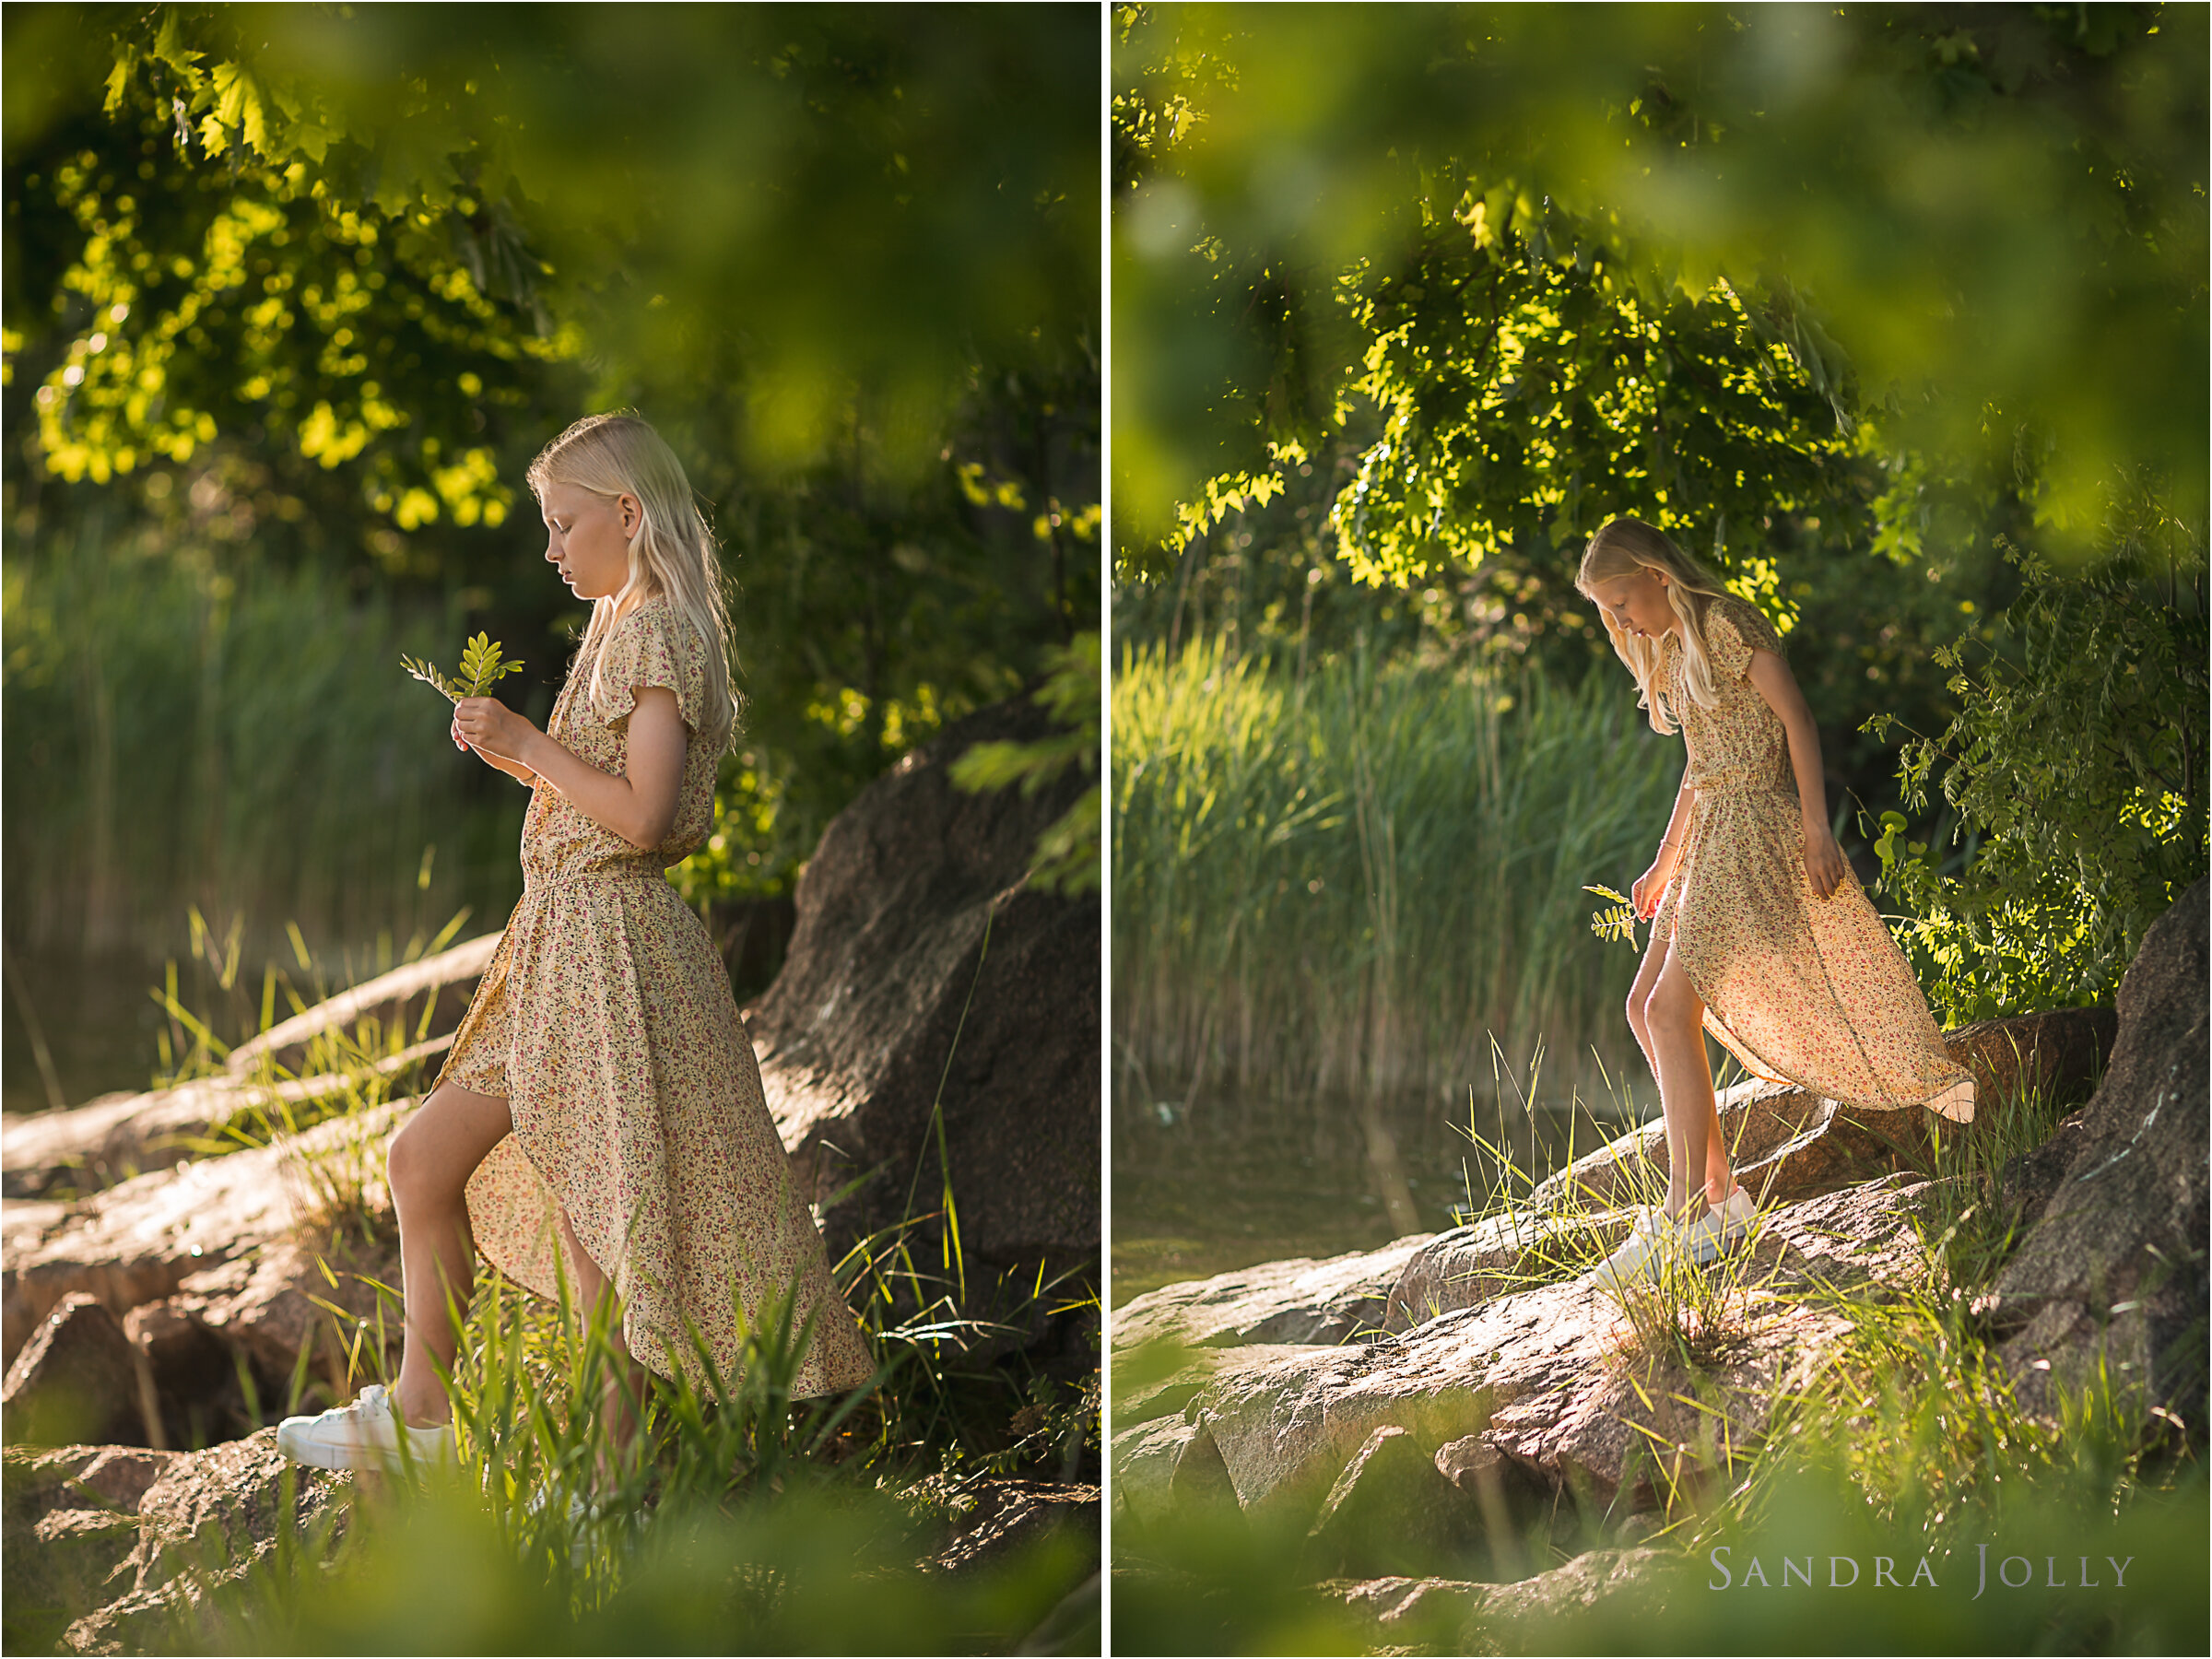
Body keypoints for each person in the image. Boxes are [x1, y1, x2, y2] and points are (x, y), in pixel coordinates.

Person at [276, 412, 875, 1473]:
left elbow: (644, 820)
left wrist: (527, 740)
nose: (550, 549)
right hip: (558, 943)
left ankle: (608, 1486)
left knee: (603, 1227)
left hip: (611, 948)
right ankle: (424, 1423)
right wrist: (523, 764)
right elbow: (599, 796)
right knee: (422, 1161)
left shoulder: (657, 631)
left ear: (628, 514)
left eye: (563, 523)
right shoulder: (621, 624)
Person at [1573, 517, 1975, 1290]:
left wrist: (1818, 829)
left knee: (1668, 1012)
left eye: (1621, 602)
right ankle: (1718, 1198)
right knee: (1642, 1009)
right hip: (1708, 834)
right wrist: (1663, 861)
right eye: (1609, 612)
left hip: (1755, 827)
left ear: (1658, 573)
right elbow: (1698, 765)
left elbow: (1796, 718)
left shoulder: (1725, 622)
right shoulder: (1674, 647)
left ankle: (1687, 1211)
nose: (1619, 622)